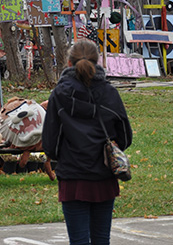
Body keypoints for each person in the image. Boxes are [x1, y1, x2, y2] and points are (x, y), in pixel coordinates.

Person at [42, 39, 132, 245]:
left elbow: (50, 142)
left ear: (68, 62)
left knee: (79, 241)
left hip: (73, 176)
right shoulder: (109, 92)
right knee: (102, 240)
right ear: (98, 61)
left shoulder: (59, 94)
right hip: (104, 174)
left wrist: (63, 155)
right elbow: (125, 136)